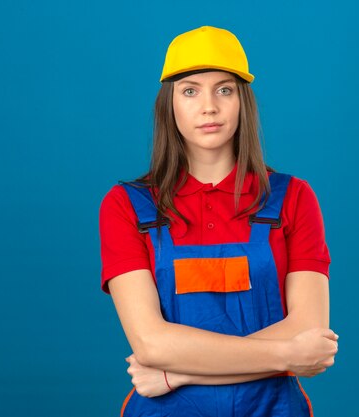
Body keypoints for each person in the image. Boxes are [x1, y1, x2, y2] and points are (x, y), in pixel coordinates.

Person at [99, 25, 339, 417]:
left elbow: (307, 331)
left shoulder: (293, 198)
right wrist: (287, 354)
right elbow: (151, 346)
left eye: (224, 89)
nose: (208, 106)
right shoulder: (127, 205)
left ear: (243, 101)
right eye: (190, 90)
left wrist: (178, 373)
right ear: (169, 104)